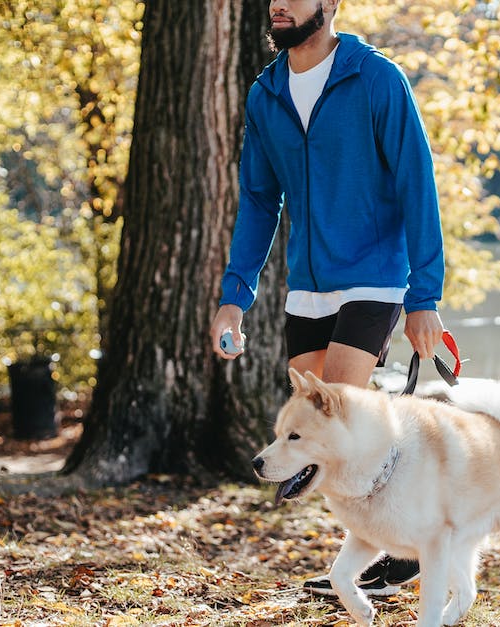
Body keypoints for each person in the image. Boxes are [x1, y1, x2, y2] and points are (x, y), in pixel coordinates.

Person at [209, 0, 444, 599]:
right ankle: (399, 541)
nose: (279, 4)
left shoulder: (375, 78)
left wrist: (424, 296)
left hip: (373, 274)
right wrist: (235, 296)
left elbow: (416, 179)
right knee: (320, 432)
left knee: (341, 415)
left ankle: (392, 557)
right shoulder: (267, 94)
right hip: (307, 285)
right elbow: (260, 201)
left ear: (331, 4)